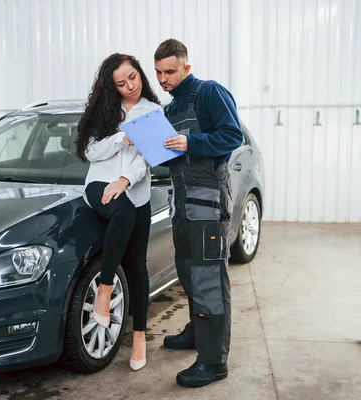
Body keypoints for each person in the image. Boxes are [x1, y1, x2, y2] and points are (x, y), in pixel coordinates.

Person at [154, 39, 243, 388]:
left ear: (186, 68)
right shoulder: (170, 109)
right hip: (182, 205)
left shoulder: (208, 93)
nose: (164, 79)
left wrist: (193, 143)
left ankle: (213, 360)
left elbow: (231, 135)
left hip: (207, 205)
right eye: (159, 72)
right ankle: (196, 331)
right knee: (187, 273)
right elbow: (171, 158)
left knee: (209, 281)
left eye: (170, 71)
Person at [75, 53, 160, 371]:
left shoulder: (152, 112)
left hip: (136, 191)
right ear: (111, 87)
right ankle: (105, 288)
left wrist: (125, 180)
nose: (129, 87)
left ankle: (139, 337)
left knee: (138, 267)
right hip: (99, 184)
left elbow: (149, 157)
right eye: (121, 84)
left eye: (133, 78)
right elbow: (90, 151)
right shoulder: (102, 111)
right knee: (122, 214)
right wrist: (121, 138)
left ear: (140, 74)